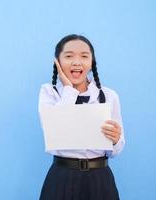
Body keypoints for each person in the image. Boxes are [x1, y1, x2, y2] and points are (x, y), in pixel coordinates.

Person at [38, 34, 125, 200]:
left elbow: (116, 150)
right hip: (62, 176)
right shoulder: (50, 93)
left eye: (84, 56)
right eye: (69, 56)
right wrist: (69, 90)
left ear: (92, 62)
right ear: (57, 61)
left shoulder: (109, 95)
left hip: (100, 178)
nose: (77, 62)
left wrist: (115, 139)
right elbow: (53, 132)